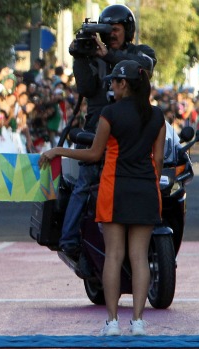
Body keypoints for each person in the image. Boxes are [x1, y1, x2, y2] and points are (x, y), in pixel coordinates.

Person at [39, 60, 166, 336]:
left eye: (114, 82)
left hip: (114, 188)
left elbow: (94, 154)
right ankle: (139, 322)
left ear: (124, 84)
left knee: (114, 255)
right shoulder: (157, 116)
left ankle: (111, 322)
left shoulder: (110, 113)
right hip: (145, 190)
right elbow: (158, 162)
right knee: (139, 257)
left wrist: (60, 151)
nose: (110, 86)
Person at [59, 4, 157, 256]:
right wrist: (80, 57)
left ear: (128, 30)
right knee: (84, 183)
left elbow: (145, 65)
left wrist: (108, 57)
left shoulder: (140, 52)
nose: (111, 35)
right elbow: (87, 88)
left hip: (133, 130)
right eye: (107, 30)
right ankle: (68, 240)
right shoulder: (92, 55)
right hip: (97, 127)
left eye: (116, 29)